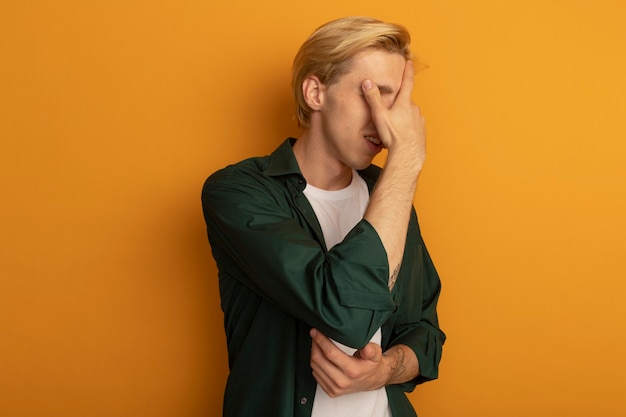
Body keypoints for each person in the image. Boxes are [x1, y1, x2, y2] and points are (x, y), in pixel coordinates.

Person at [201, 16, 445, 417]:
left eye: (396, 102)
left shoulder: (390, 193)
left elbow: (426, 334)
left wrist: (384, 369)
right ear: (316, 92)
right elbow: (345, 314)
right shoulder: (238, 191)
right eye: (375, 95)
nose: (388, 122)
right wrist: (408, 162)